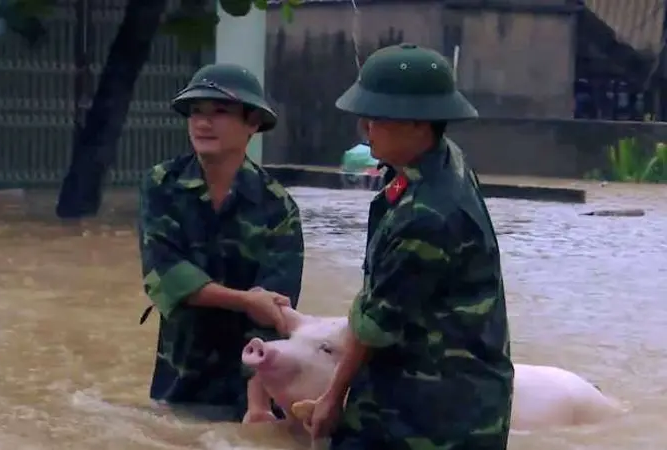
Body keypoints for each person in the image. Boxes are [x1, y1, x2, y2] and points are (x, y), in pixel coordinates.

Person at [305, 44, 514, 449]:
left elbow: (374, 326)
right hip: (453, 398)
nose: (366, 128)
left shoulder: (427, 215)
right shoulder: (443, 160)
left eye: (379, 117)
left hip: (428, 418)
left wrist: (332, 397)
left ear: (420, 123)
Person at [136, 63, 305, 423]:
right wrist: (245, 300)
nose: (202, 123)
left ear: (253, 123)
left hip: (246, 389)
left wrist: (257, 406)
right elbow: (165, 277)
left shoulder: (277, 205)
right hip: (177, 381)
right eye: (196, 112)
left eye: (220, 112)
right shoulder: (162, 184)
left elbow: (274, 311)